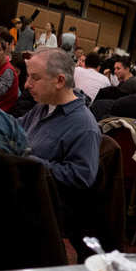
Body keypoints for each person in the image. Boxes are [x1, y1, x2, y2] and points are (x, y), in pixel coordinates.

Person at [20, 48, 100, 189]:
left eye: (35, 78)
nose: (27, 84)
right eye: (28, 77)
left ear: (60, 81)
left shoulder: (84, 126)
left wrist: (28, 162)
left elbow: (81, 177)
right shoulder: (43, 106)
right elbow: (16, 127)